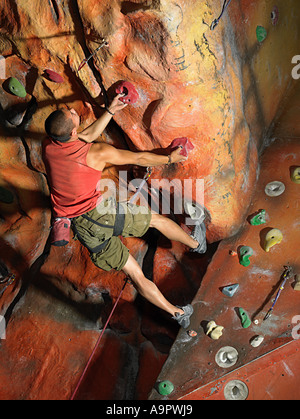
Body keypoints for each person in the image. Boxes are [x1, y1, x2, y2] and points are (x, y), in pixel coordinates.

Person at [43, 94, 205, 328]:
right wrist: (170, 157)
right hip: (100, 214)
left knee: (136, 275)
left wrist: (110, 111)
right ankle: (196, 244)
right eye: (73, 114)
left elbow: (82, 137)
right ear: (71, 133)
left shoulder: (48, 146)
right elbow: (138, 158)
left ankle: (178, 313)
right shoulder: (97, 153)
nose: (75, 111)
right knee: (156, 221)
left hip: (83, 230)